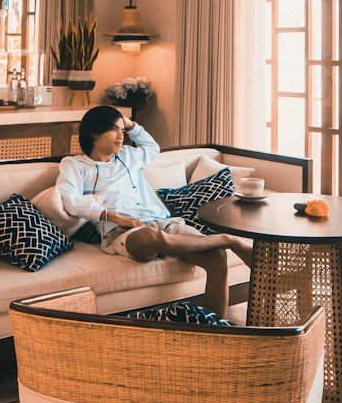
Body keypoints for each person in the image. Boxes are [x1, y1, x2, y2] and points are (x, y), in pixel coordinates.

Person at [55, 106, 252, 316]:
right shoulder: (75, 165)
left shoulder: (129, 155)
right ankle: (228, 239)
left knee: (217, 257)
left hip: (162, 221)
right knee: (153, 236)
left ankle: (216, 333)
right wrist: (115, 217)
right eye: (114, 129)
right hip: (121, 231)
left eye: (123, 130)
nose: (121, 136)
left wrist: (130, 124)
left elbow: (152, 147)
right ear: (94, 132)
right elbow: (70, 200)